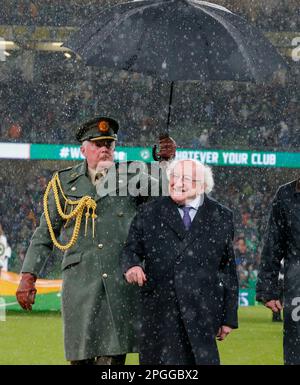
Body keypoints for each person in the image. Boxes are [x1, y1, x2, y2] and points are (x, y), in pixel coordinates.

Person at [16, 116, 176, 365]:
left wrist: (165, 161)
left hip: (118, 283)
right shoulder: (63, 182)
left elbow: (167, 194)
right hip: (80, 284)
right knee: (80, 359)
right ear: (83, 148)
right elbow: (46, 233)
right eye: (97, 143)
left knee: (111, 360)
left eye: (109, 144)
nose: (104, 149)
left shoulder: (130, 176)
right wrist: (28, 276)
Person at [121, 159, 239, 365]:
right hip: (158, 315)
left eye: (185, 178)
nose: (177, 182)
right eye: (174, 176)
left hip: (201, 315)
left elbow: (227, 269)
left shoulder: (222, 216)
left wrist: (228, 317)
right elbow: (130, 249)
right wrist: (132, 265)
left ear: (203, 185)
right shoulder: (149, 212)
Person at [256, 178, 300, 364]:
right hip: (297, 286)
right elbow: (273, 244)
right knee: (296, 348)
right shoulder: (286, 195)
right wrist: (268, 288)